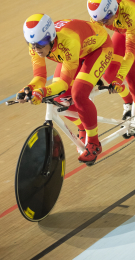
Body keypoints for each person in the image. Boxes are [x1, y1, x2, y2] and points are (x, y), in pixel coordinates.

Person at [16, 14, 114, 163]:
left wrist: (42, 92)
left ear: (51, 37)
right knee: (59, 99)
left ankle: (94, 143)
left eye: (41, 43)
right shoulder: (36, 44)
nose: (36, 49)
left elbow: (62, 84)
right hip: (78, 50)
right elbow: (40, 77)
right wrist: (28, 89)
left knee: (78, 94)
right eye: (32, 44)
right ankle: (82, 127)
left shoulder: (68, 42)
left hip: (98, 49)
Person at [87, 0, 135, 136]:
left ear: (113, 10)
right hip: (125, 30)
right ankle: (128, 101)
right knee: (108, 74)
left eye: (105, 20)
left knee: (131, 71)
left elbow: (130, 53)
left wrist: (119, 79)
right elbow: (93, 44)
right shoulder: (101, 15)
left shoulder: (130, 11)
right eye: (99, 21)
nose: (103, 24)